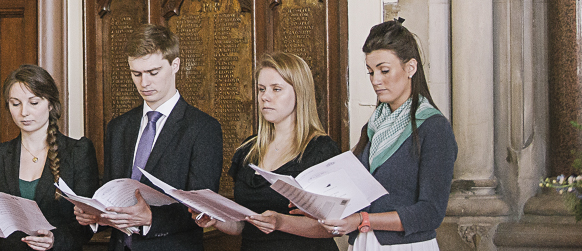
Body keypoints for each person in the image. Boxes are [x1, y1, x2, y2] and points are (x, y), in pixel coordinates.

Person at [75, 23, 222, 251]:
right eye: (136, 74)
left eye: (153, 72)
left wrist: (151, 217)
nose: (144, 83)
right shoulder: (119, 127)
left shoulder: (203, 128)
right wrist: (96, 216)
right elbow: (113, 193)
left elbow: (202, 208)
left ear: (175, 65)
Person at [320, 19, 457, 250]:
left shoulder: (433, 127)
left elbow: (431, 213)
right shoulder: (374, 124)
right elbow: (357, 190)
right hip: (363, 243)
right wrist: (318, 203)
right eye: (370, 72)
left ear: (410, 68)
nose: (375, 80)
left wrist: (364, 220)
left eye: (384, 70)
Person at [192, 52, 338, 249]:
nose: (265, 97)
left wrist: (281, 222)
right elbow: (243, 225)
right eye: (261, 89)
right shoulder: (249, 149)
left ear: (300, 93)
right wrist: (216, 219)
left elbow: (333, 227)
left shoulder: (320, 149)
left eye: (276, 89)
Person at [0, 65, 98, 251]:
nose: (23, 112)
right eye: (15, 103)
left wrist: (54, 240)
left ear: (50, 104)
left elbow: (89, 224)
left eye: (33, 103)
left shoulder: (78, 151)